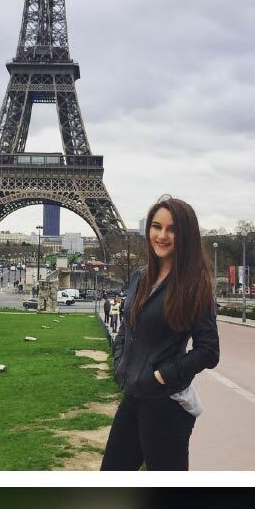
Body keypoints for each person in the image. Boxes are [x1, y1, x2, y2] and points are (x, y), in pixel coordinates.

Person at [101, 195, 219, 471]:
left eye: (172, 229)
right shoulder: (140, 277)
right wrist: (120, 363)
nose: (162, 235)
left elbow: (209, 351)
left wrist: (163, 375)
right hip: (134, 394)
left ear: (186, 236)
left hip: (164, 404)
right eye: (156, 226)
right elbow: (128, 326)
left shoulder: (194, 285)